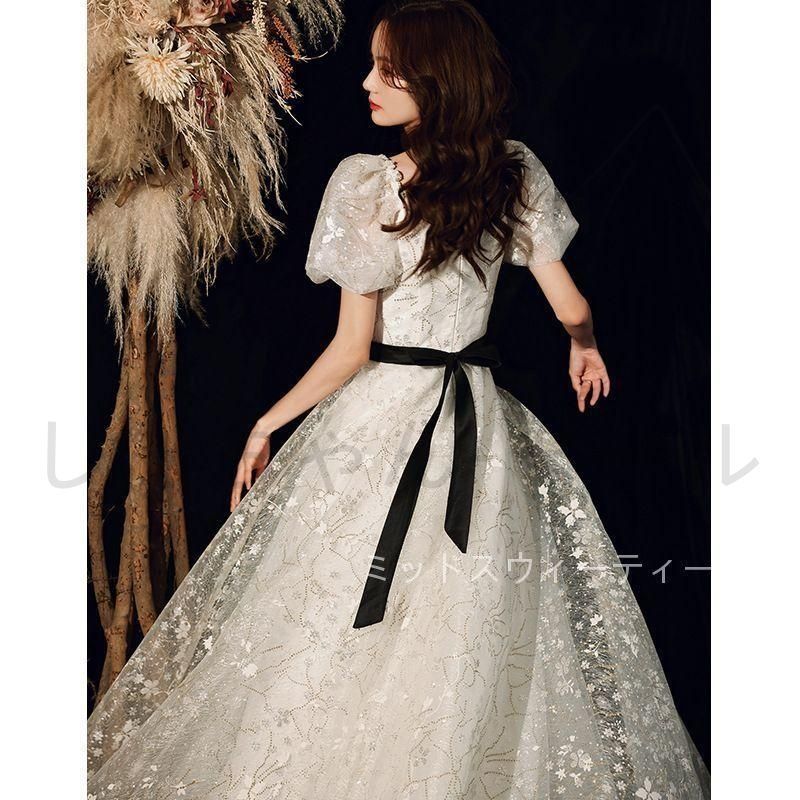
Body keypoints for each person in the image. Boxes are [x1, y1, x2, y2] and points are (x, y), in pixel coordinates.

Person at [87, 1, 711, 797]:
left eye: (388, 70)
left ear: (437, 81)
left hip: (382, 416)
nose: (366, 83)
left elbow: (351, 350)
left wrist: (267, 422)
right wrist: (583, 345)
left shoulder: (370, 188)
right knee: (472, 605)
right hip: (478, 420)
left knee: (338, 597)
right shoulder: (511, 174)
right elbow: (571, 304)